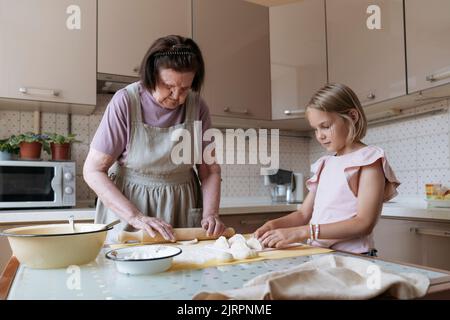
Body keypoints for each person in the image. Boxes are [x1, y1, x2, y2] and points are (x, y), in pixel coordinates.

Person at [84, 35, 225, 243]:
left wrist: (210, 214)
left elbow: (210, 170)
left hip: (182, 205)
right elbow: (93, 170)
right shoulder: (126, 102)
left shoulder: (198, 107)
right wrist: (136, 217)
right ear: (151, 75)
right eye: (169, 85)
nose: (177, 96)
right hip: (130, 207)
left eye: (185, 88)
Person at [255, 83, 400, 256]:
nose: (319, 136)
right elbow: (303, 214)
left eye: (325, 126)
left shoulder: (369, 160)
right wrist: (273, 225)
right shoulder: (324, 164)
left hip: (353, 259)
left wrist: (302, 232)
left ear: (352, 116)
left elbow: (364, 222)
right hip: (319, 254)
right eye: (315, 129)